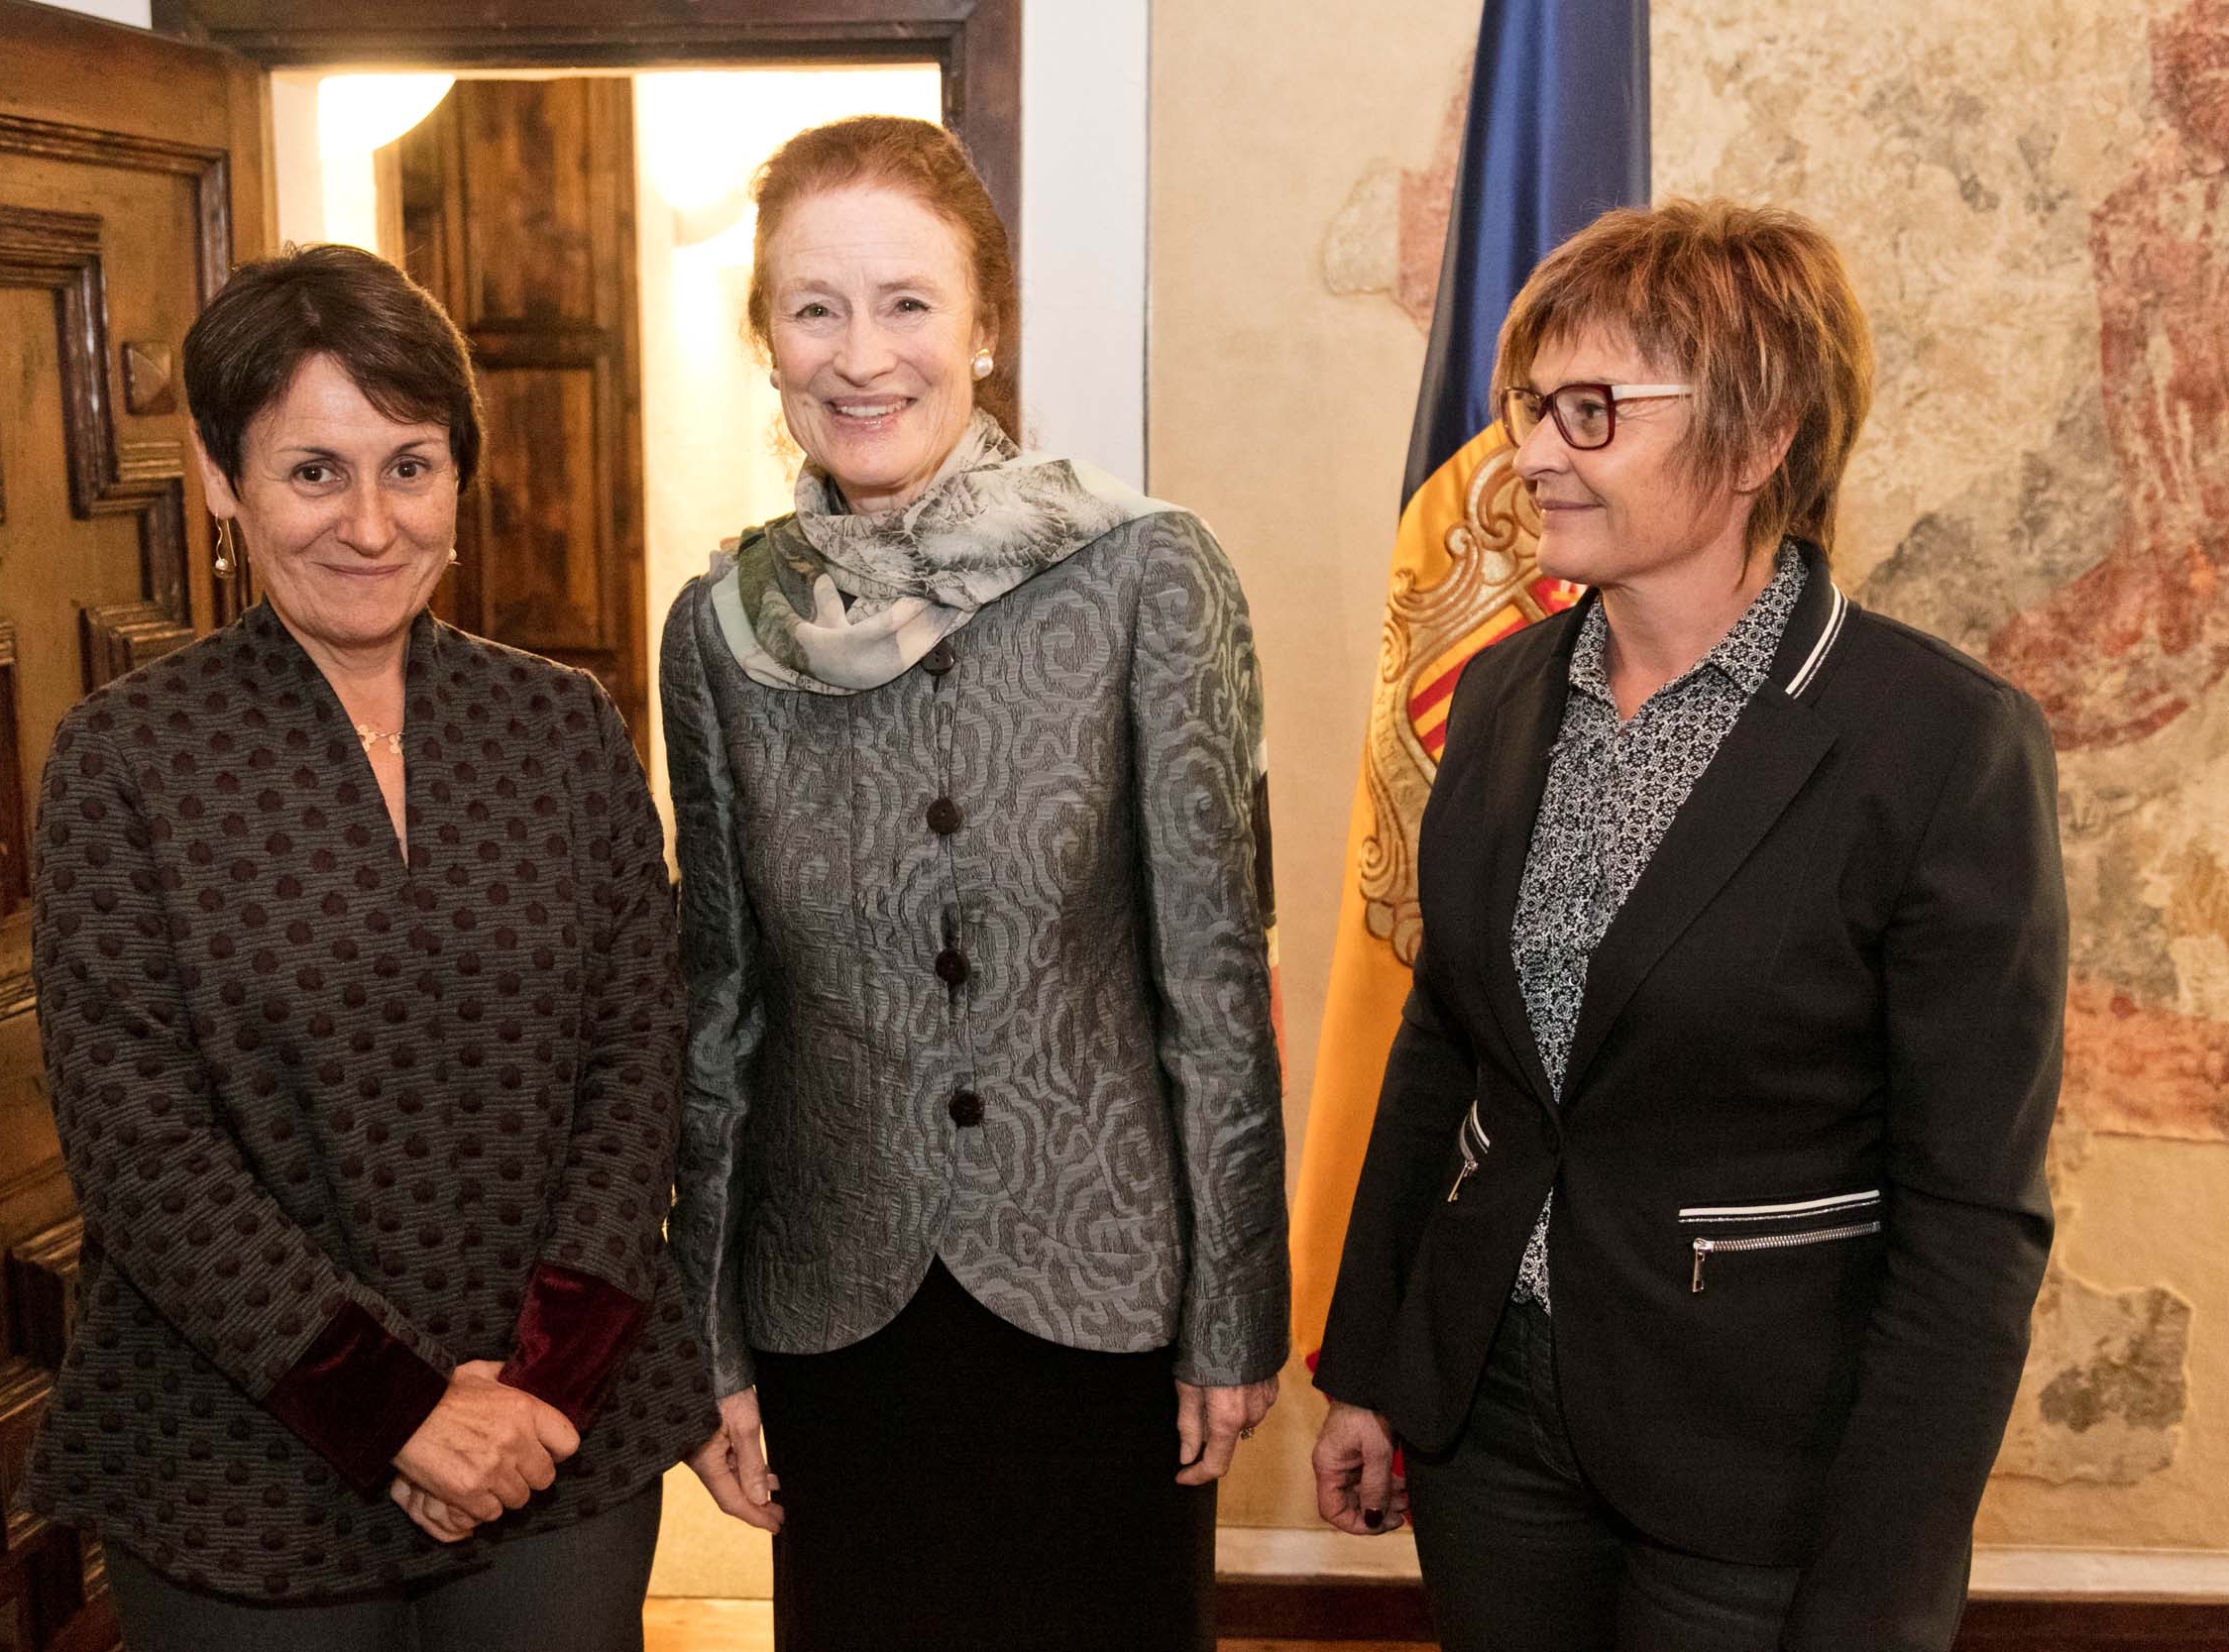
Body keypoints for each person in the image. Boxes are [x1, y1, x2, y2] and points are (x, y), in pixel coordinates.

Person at [1310, 199, 2066, 1652]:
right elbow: (1445, 1046)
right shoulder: (1502, 691)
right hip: (1490, 1432)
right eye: (1533, 407)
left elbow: (1972, 1219)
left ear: (1762, 433)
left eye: (1592, 411)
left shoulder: (1939, 744)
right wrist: (1375, 1367)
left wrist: (1888, 1580)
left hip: (1761, 1468)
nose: (1536, 453)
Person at [24, 243, 712, 1650]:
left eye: (410, 466)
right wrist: (395, 1410)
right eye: (313, 472)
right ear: (222, 476)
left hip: (552, 1439)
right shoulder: (126, 761)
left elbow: (640, 1059)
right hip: (237, 1454)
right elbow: (140, 1146)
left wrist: (540, 1384)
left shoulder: (562, 727)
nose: (371, 524)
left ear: (460, 473)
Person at [662, 115, 1289, 1652]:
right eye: (815, 308)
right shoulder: (721, 629)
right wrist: (707, 1339)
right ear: (767, 338)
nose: (860, 354)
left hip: (1104, 1301)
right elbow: (719, 1011)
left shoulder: (1149, 575)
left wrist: (1234, 1313)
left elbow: (1215, 982)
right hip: (834, 1312)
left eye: (908, 302)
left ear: (986, 327)